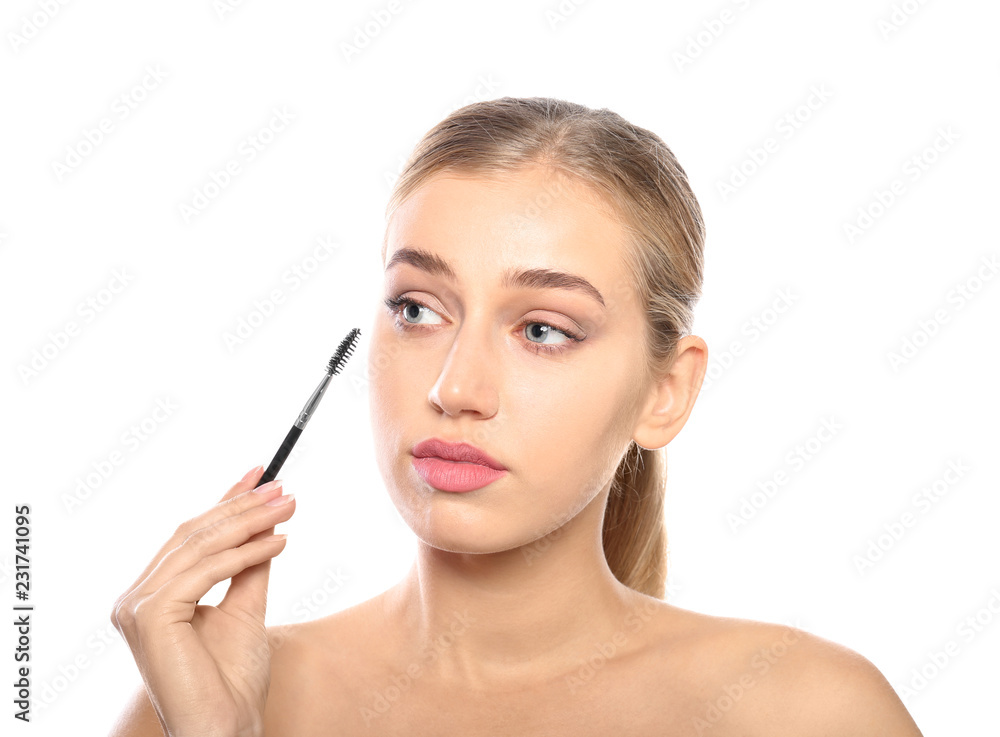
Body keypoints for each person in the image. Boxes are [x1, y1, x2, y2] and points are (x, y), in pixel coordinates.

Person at [110, 97, 923, 736]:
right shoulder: (196, 699)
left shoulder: (807, 713)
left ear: (664, 391)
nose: (457, 388)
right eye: (419, 310)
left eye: (543, 329)